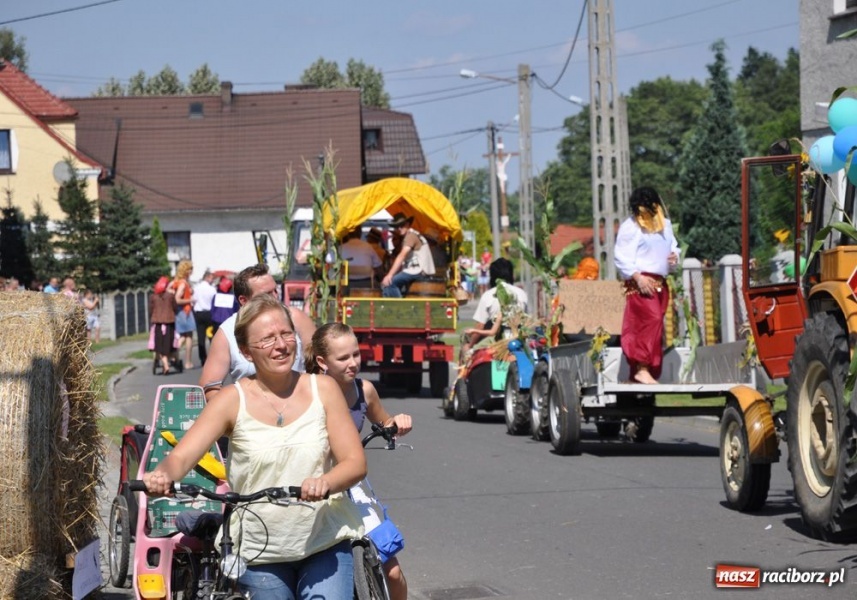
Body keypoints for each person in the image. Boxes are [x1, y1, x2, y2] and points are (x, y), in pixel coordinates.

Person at [140, 294, 366, 599]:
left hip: (323, 540)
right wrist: (162, 476)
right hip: (258, 550)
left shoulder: (323, 388)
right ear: (246, 351)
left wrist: (326, 481)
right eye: (268, 339)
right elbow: (181, 457)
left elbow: (354, 462)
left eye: (287, 334)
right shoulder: (232, 401)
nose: (282, 345)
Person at [305, 323, 412, 600]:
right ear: (321, 361)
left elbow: (385, 421)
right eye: (343, 358)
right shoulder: (305, 391)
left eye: (356, 354)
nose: (352, 363)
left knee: (392, 572)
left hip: (354, 485)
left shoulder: (364, 389)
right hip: (311, 485)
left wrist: (397, 424)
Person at [199, 263, 316, 401]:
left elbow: (320, 363)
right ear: (243, 300)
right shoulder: (227, 332)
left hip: (299, 408)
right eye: (266, 294)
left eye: (275, 290)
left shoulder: (296, 318)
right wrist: (236, 412)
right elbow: (208, 386)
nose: (275, 297)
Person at [614, 186, 680, 385]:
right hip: (640, 283)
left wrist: (674, 257)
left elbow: (674, 247)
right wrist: (638, 278)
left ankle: (637, 372)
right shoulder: (631, 226)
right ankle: (642, 368)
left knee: (654, 325)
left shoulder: (665, 225)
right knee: (648, 321)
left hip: (661, 283)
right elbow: (621, 256)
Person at [461, 258, 528, 360]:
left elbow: (481, 326)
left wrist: (470, 346)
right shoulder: (522, 294)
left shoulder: (488, 295)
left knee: (466, 344)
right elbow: (525, 322)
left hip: (496, 341)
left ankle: (463, 373)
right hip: (518, 340)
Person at [381, 212, 436, 298]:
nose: (399, 228)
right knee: (391, 284)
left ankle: (400, 309)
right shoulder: (411, 235)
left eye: (401, 225)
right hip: (418, 270)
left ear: (407, 224)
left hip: (418, 271)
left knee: (390, 283)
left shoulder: (411, 236)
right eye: (396, 226)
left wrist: (389, 275)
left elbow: (402, 256)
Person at [170, 260, 196, 370]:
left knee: (183, 336)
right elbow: (177, 299)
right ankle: (187, 362)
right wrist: (190, 299)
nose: (191, 271)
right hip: (185, 311)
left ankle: (173, 355)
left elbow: (169, 289)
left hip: (179, 312)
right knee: (189, 336)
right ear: (185, 270)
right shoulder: (183, 283)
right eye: (190, 269)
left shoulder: (176, 281)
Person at [150, 276, 177, 375]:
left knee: (159, 346)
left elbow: (151, 310)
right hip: (169, 322)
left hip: (157, 323)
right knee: (168, 345)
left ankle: (164, 364)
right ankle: (166, 364)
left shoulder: (153, 297)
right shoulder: (170, 296)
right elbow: (175, 307)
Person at [193, 269, 217, 365]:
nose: (212, 280)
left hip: (199, 313)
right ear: (207, 277)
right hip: (209, 313)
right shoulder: (212, 289)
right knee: (211, 335)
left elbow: (194, 300)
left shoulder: (196, 288)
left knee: (200, 336)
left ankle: (203, 358)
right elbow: (214, 301)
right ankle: (213, 356)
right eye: (212, 278)